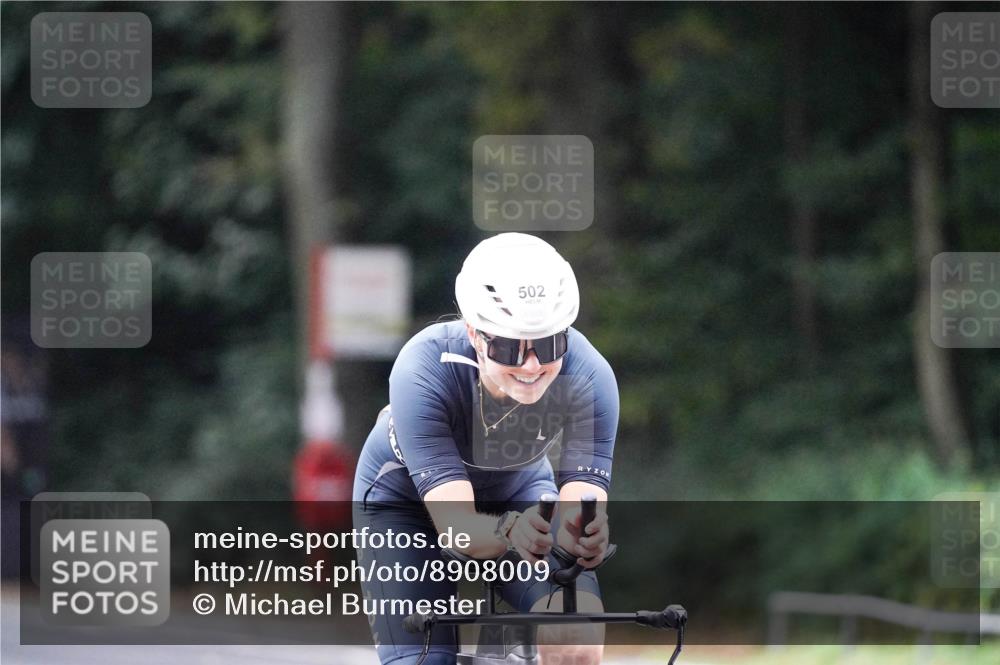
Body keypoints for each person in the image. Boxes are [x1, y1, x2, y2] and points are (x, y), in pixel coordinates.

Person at [353, 233, 619, 665]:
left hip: (519, 491)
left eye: (550, 344)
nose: (531, 365)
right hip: (405, 506)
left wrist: (582, 538)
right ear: (475, 335)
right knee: (424, 660)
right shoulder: (424, 369)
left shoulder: (589, 375)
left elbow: (578, 515)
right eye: (510, 347)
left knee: (576, 640)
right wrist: (507, 531)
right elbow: (457, 529)